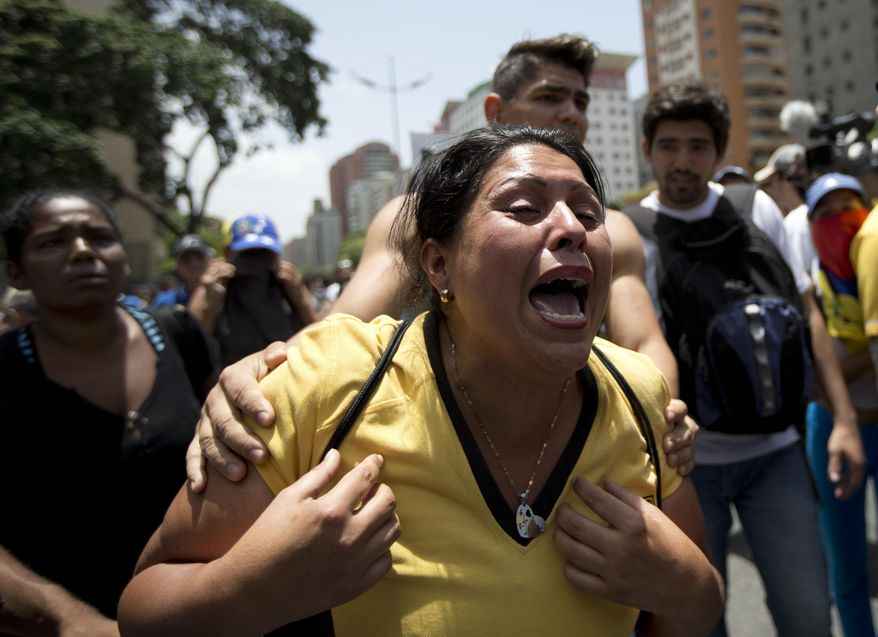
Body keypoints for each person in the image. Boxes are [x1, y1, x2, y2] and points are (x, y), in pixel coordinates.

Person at [119, 125, 723, 637]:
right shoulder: (329, 386)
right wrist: (253, 591)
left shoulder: (640, 396)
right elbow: (142, 608)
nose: (571, 228)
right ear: (438, 265)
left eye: (589, 213)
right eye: (523, 208)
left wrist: (686, 585)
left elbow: (696, 610)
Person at [186, 34, 697, 491]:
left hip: (575, 460)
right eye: (550, 96)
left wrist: (661, 416)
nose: (571, 113)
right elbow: (340, 324)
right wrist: (256, 388)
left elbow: (645, 343)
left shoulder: (613, 229)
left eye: (580, 100)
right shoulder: (412, 219)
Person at [636, 80, 864, 637]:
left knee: (808, 614)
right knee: (700, 621)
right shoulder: (633, 235)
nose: (683, 161)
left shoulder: (751, 206)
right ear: (648, 150)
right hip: (685, 469)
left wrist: (844, 421)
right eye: (669, 146)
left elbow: (807, 316)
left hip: (777, 454)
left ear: (718, 152)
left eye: (697, 147)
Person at [0, 189, 216, 632]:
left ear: (124, 258)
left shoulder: (178, 332)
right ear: (16, 273)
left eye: (99, 237)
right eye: (52, 242)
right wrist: (66, 616)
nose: (82, 251)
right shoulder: (5, 369)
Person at [805, 172, 878, 637]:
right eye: (825, 214)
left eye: (848, 207)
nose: (838, 221)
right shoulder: (809, 285)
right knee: (846, 567)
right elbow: (809, 381)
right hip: (832, 429)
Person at [189, 212, 316, 366]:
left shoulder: (287, 284)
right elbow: (194, 353)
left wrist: (301, 300)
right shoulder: (215, 286)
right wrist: (210, 304)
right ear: (228, 253)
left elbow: (317, 336)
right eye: (247, 254)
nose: (255, 264)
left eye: (263, 253)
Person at [150, 233, 213, 310]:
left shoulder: (226, 297)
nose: (194, 264)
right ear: (177, 266)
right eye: (186, 259)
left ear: (210, 259)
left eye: (200, 257)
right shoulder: (164, 302)